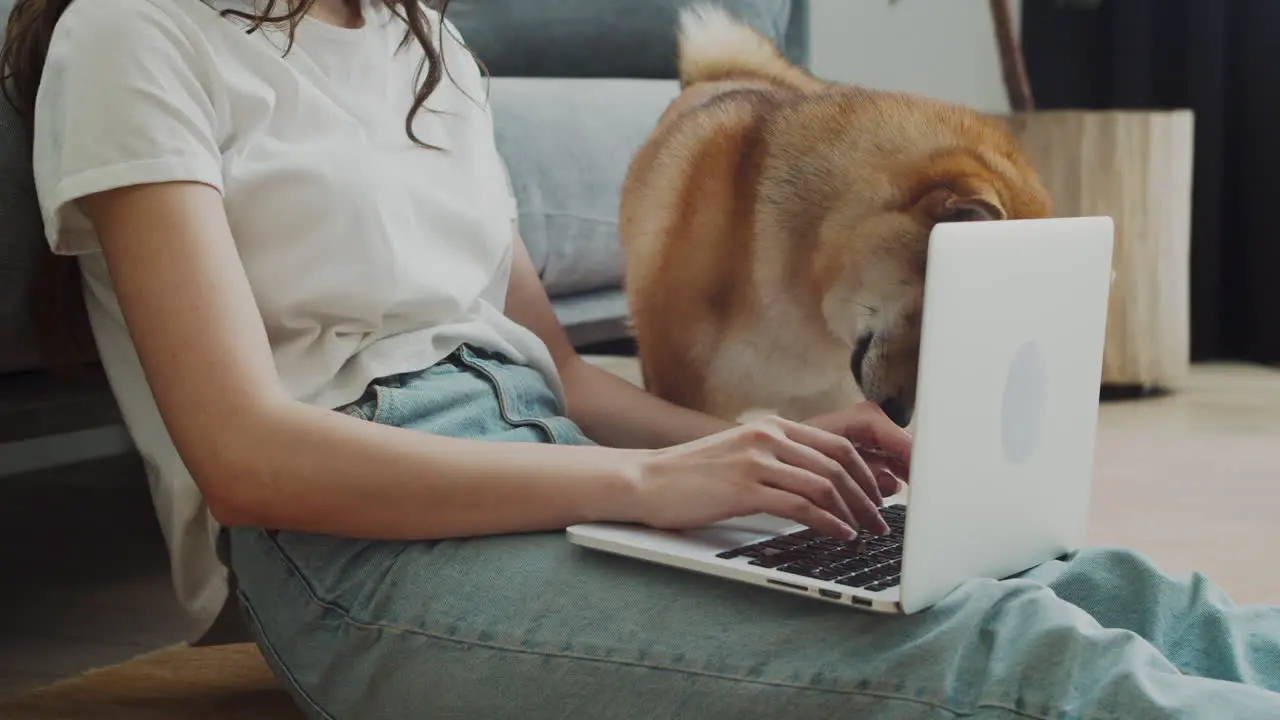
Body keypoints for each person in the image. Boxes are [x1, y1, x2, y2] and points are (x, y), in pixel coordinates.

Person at [4, 0, 1279, 716]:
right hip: (353, 559)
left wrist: (755, 451)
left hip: (539, 464)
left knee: (1088, 588)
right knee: (992, 665)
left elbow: (550, 370)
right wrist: (638, 491)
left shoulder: (423, 48)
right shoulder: (135, 32)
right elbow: (245, 461)